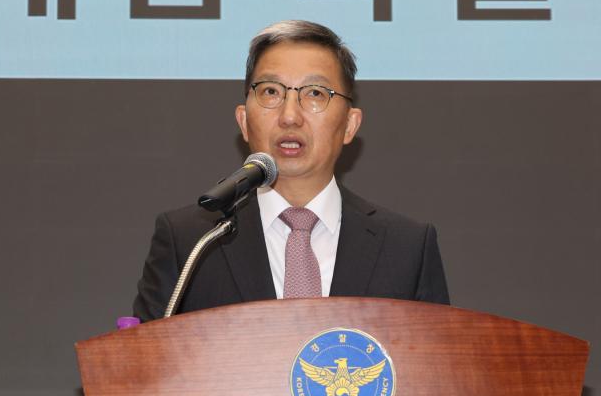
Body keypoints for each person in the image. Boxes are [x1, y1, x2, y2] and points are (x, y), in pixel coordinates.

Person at [133, 20, 449, 322]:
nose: (289, 116)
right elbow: (140, 367)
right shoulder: (192, 241)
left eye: (314, 93)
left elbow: (440, 371)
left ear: (350, 125)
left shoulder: (406, 248)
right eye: (271, 91)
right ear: (243, 121)